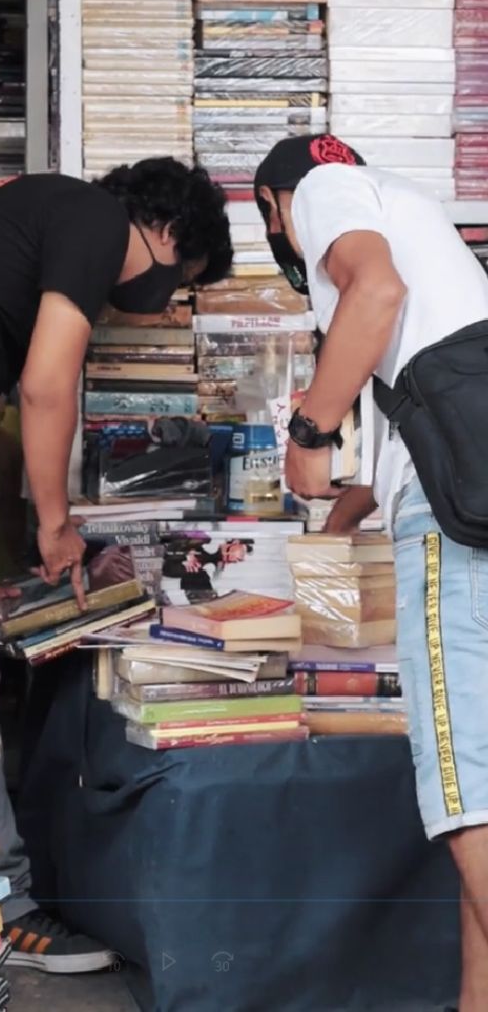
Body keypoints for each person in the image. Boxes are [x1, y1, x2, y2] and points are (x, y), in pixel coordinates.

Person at [0, 158, 232, 972]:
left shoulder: (31, 215)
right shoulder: (93, 220)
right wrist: (57, 526)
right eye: (182, 279)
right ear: (166, 233)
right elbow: (45, 387)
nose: (164, 302)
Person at [251, 132, 488, 1006]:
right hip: (464, 502)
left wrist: (309, 435)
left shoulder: (322, 191)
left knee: (468, 786)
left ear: (274, 207)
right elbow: (411, 425)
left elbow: (373, 292)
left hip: (453, 528)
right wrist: (351, 505)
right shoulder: (432, 237)